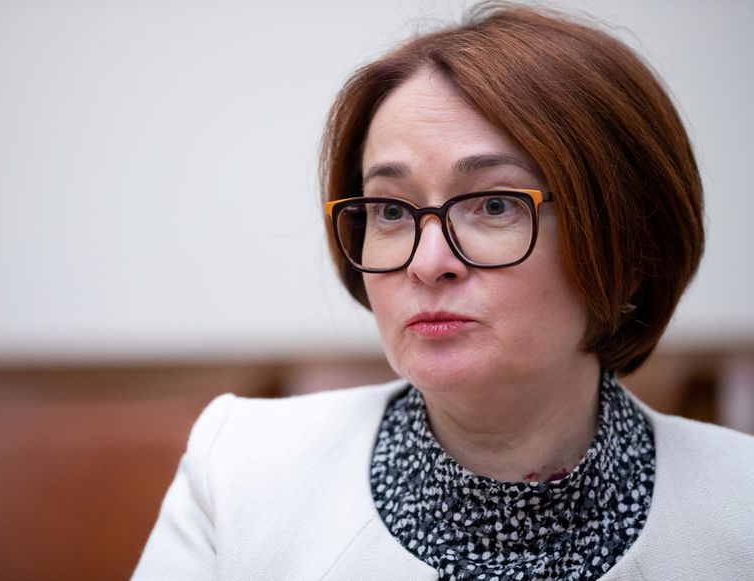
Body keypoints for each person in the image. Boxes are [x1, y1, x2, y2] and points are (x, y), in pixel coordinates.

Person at [133, 3, 754, 580]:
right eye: (391, 211)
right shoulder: (242, 469)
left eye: (494, 204)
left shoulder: (739, 507)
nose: (429, 264)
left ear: (627, 237)